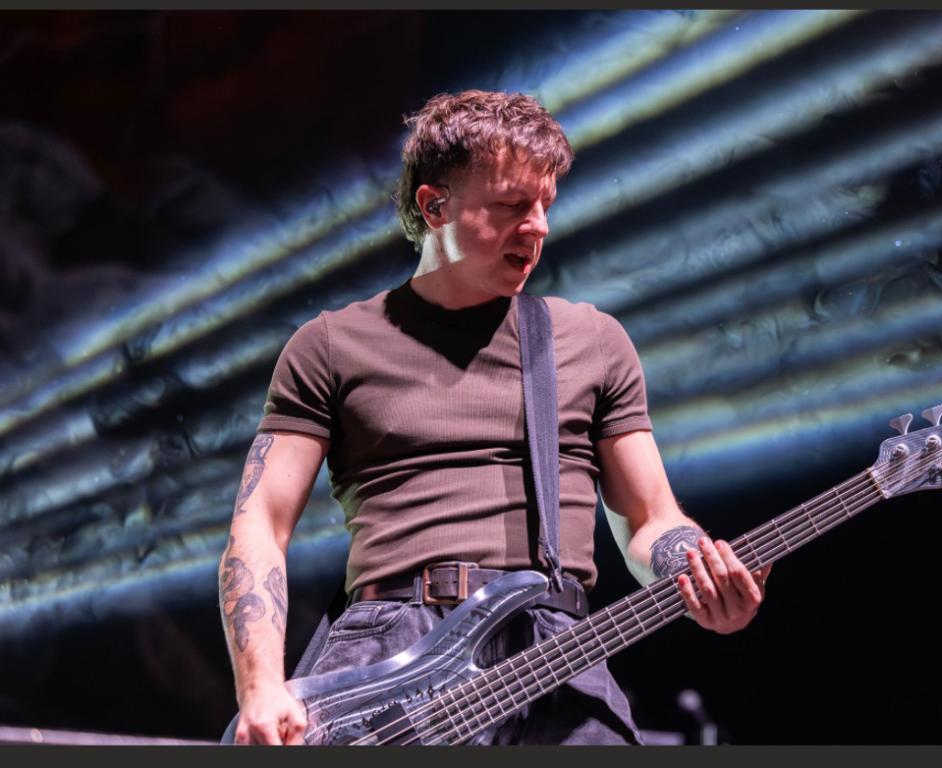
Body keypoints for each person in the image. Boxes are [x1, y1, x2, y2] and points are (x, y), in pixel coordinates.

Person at [218, 89, 771, 746]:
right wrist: (260, 685)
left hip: (553, 652)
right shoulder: (332, 345)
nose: (537, 226)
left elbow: (650, 520)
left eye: (545, 205)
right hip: (391, 657)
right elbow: (261, 522)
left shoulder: (591, 340)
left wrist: (693, 568)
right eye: (511, 205)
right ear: (435, 206)